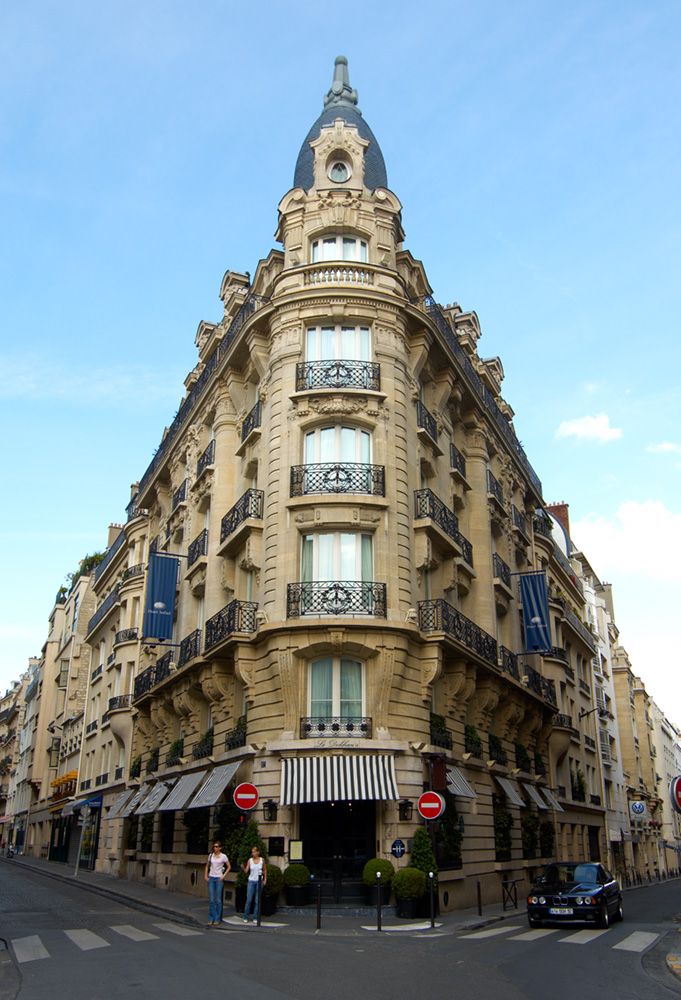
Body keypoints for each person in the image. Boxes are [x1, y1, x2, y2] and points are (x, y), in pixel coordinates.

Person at [204, 840, 231, 925]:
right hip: (211, 878)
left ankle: (217, 919)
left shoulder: (223, 856)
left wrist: (223, 876)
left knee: (218, 900)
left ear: (220, 848)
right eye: (214, 846)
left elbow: (229, 866)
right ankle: (211, 917)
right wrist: (206, 875)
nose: (215, 848)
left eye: (216, 847)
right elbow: (207, 865)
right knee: (212, 899)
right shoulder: (211, 855)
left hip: (219, 878)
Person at [242, 845, 267, 923]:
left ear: (258, 852)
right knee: (249, 899)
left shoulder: (262, 860)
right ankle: (245, 916)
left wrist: (265, 879)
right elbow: (246, 871)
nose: (253, 853)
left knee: (257, 900)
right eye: (252, 852)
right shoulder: (250, 860)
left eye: (254, 852)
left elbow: (265, 870)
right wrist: (243, 867)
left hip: (259, 881)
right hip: (251, 881)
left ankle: (255, 917)